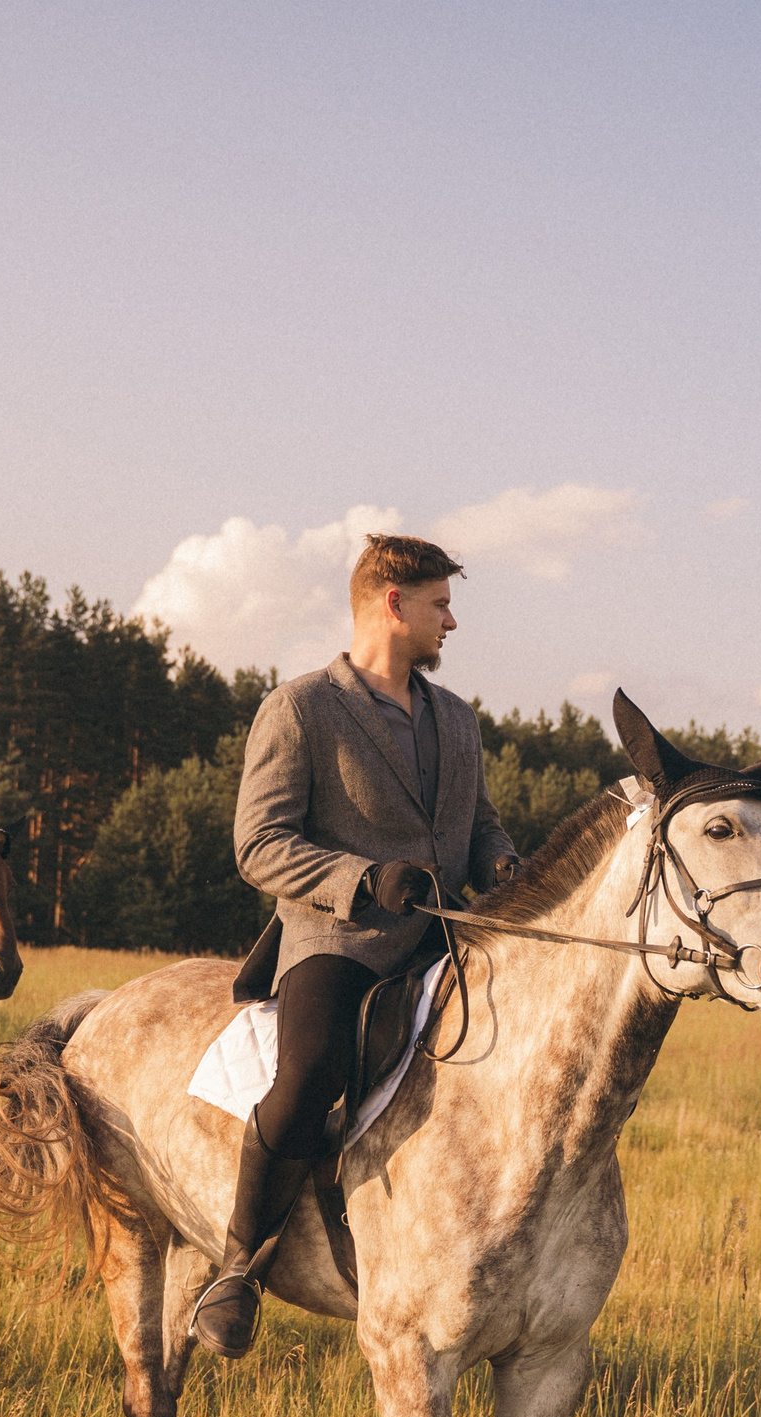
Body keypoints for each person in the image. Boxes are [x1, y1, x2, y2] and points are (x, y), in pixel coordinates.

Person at [200, 534, 521, 1356]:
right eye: (441, 604)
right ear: (393, 603)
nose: (452, 621)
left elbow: (480, 823)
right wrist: (363, 877)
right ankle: (238, 1267)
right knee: (310, 1074)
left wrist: (501, 861)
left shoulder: (458, 718)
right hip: (337, 938)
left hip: (444, 937)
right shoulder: (300, 708)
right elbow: (259, 844)